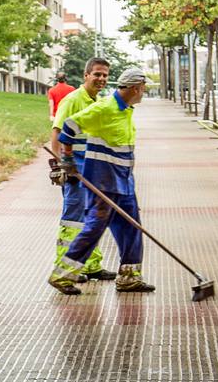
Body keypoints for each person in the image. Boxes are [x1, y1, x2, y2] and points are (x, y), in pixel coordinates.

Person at [48, 68, 155, 295]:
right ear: (135, 88)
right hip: (103, 182)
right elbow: (68, 127)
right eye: (143, 89)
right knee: (94, 228)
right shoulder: (104, 108)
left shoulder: (126, 110)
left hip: (124, 182)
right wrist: (66, 161)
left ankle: (129, 278)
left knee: (131, 227)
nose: (144, 93)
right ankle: (62, 276)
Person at [49, 58, 115, 282]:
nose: (101, 79)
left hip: (94, 169)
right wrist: (61, 164)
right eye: (97, 74)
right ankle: (66, 269)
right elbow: (57, 132)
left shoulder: (97, 101)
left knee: (92, 218)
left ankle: (91, 265)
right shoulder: (73, 100)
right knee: (73, 219)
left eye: (105, 75)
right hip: (75, 169)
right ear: (86, 75)